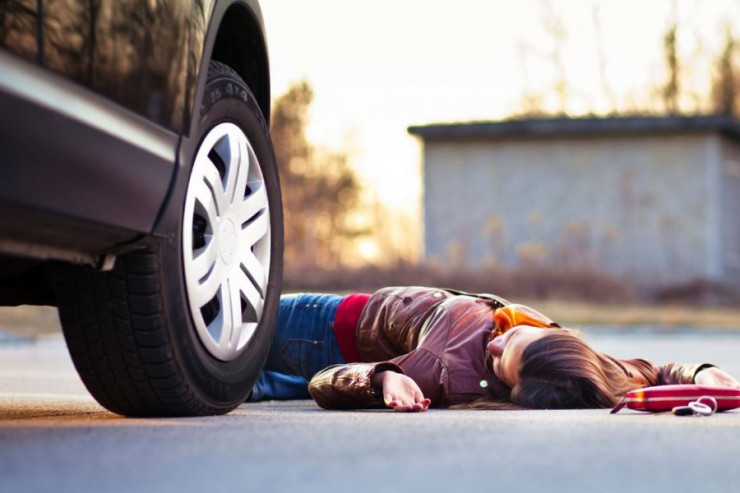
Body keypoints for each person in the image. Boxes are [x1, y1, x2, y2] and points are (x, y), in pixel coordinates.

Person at [249, 287, 740, 412]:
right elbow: (642, 372)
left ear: (512, 386)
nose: (501, 339)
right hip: (347, 320)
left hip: (317, 329)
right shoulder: (575, 364)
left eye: (501, 359)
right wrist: (700, 371)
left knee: (189, 336)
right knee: (232, 384)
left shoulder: (437, 370)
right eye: (520, 337)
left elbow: (324, 383)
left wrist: (379, 379)